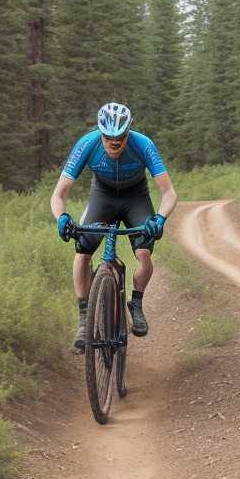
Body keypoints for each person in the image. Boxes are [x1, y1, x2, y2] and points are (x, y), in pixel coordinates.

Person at [51, 102, 177, 352]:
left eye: (119, 138)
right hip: (103, 195)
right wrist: (62, 218)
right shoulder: (88, 143)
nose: (114, 144)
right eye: (109, 138)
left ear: (128, 133)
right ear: (101, 134)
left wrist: (160, 219)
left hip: (135, 196)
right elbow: (58, 195)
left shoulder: (143, 144)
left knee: (143, 253)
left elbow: (169, 193)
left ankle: (136, 305)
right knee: (82, 253)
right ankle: (85, 319)